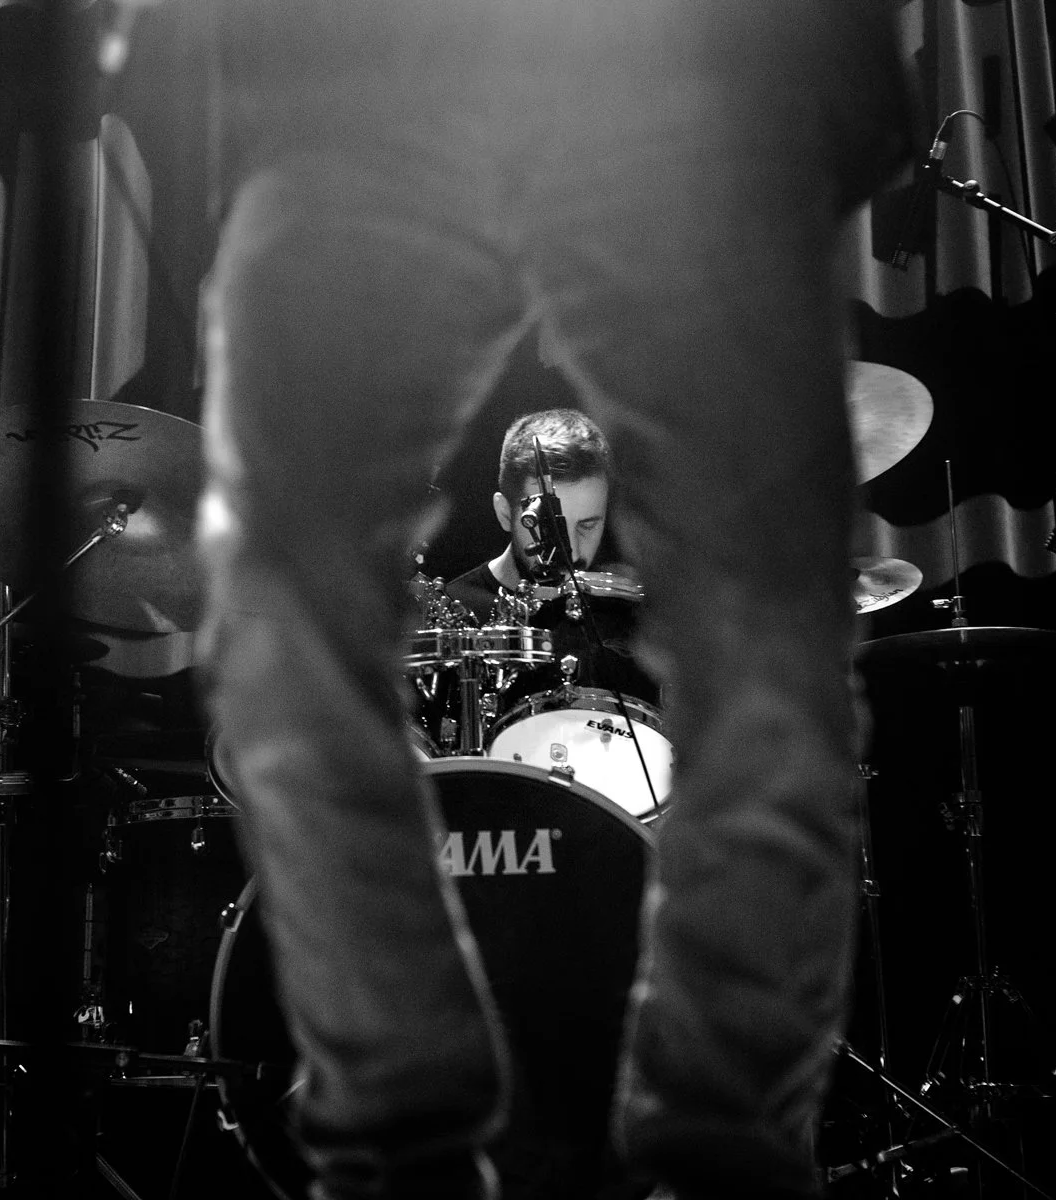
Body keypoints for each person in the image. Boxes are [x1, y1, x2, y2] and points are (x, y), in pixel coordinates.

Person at [195, 3, 912, 1198]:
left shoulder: (608, 594)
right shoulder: (479, 594)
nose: (565, 534)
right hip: (359, 80)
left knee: (771, 630)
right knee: (278, 594)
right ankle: (397, 1147)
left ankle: (716, 1154)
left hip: (699, 73)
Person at [442, 407, 657, 704]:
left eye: (588, 525)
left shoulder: (635, 614)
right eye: (549, 527)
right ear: (505, 513)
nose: (573, 551)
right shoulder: (454, 616)